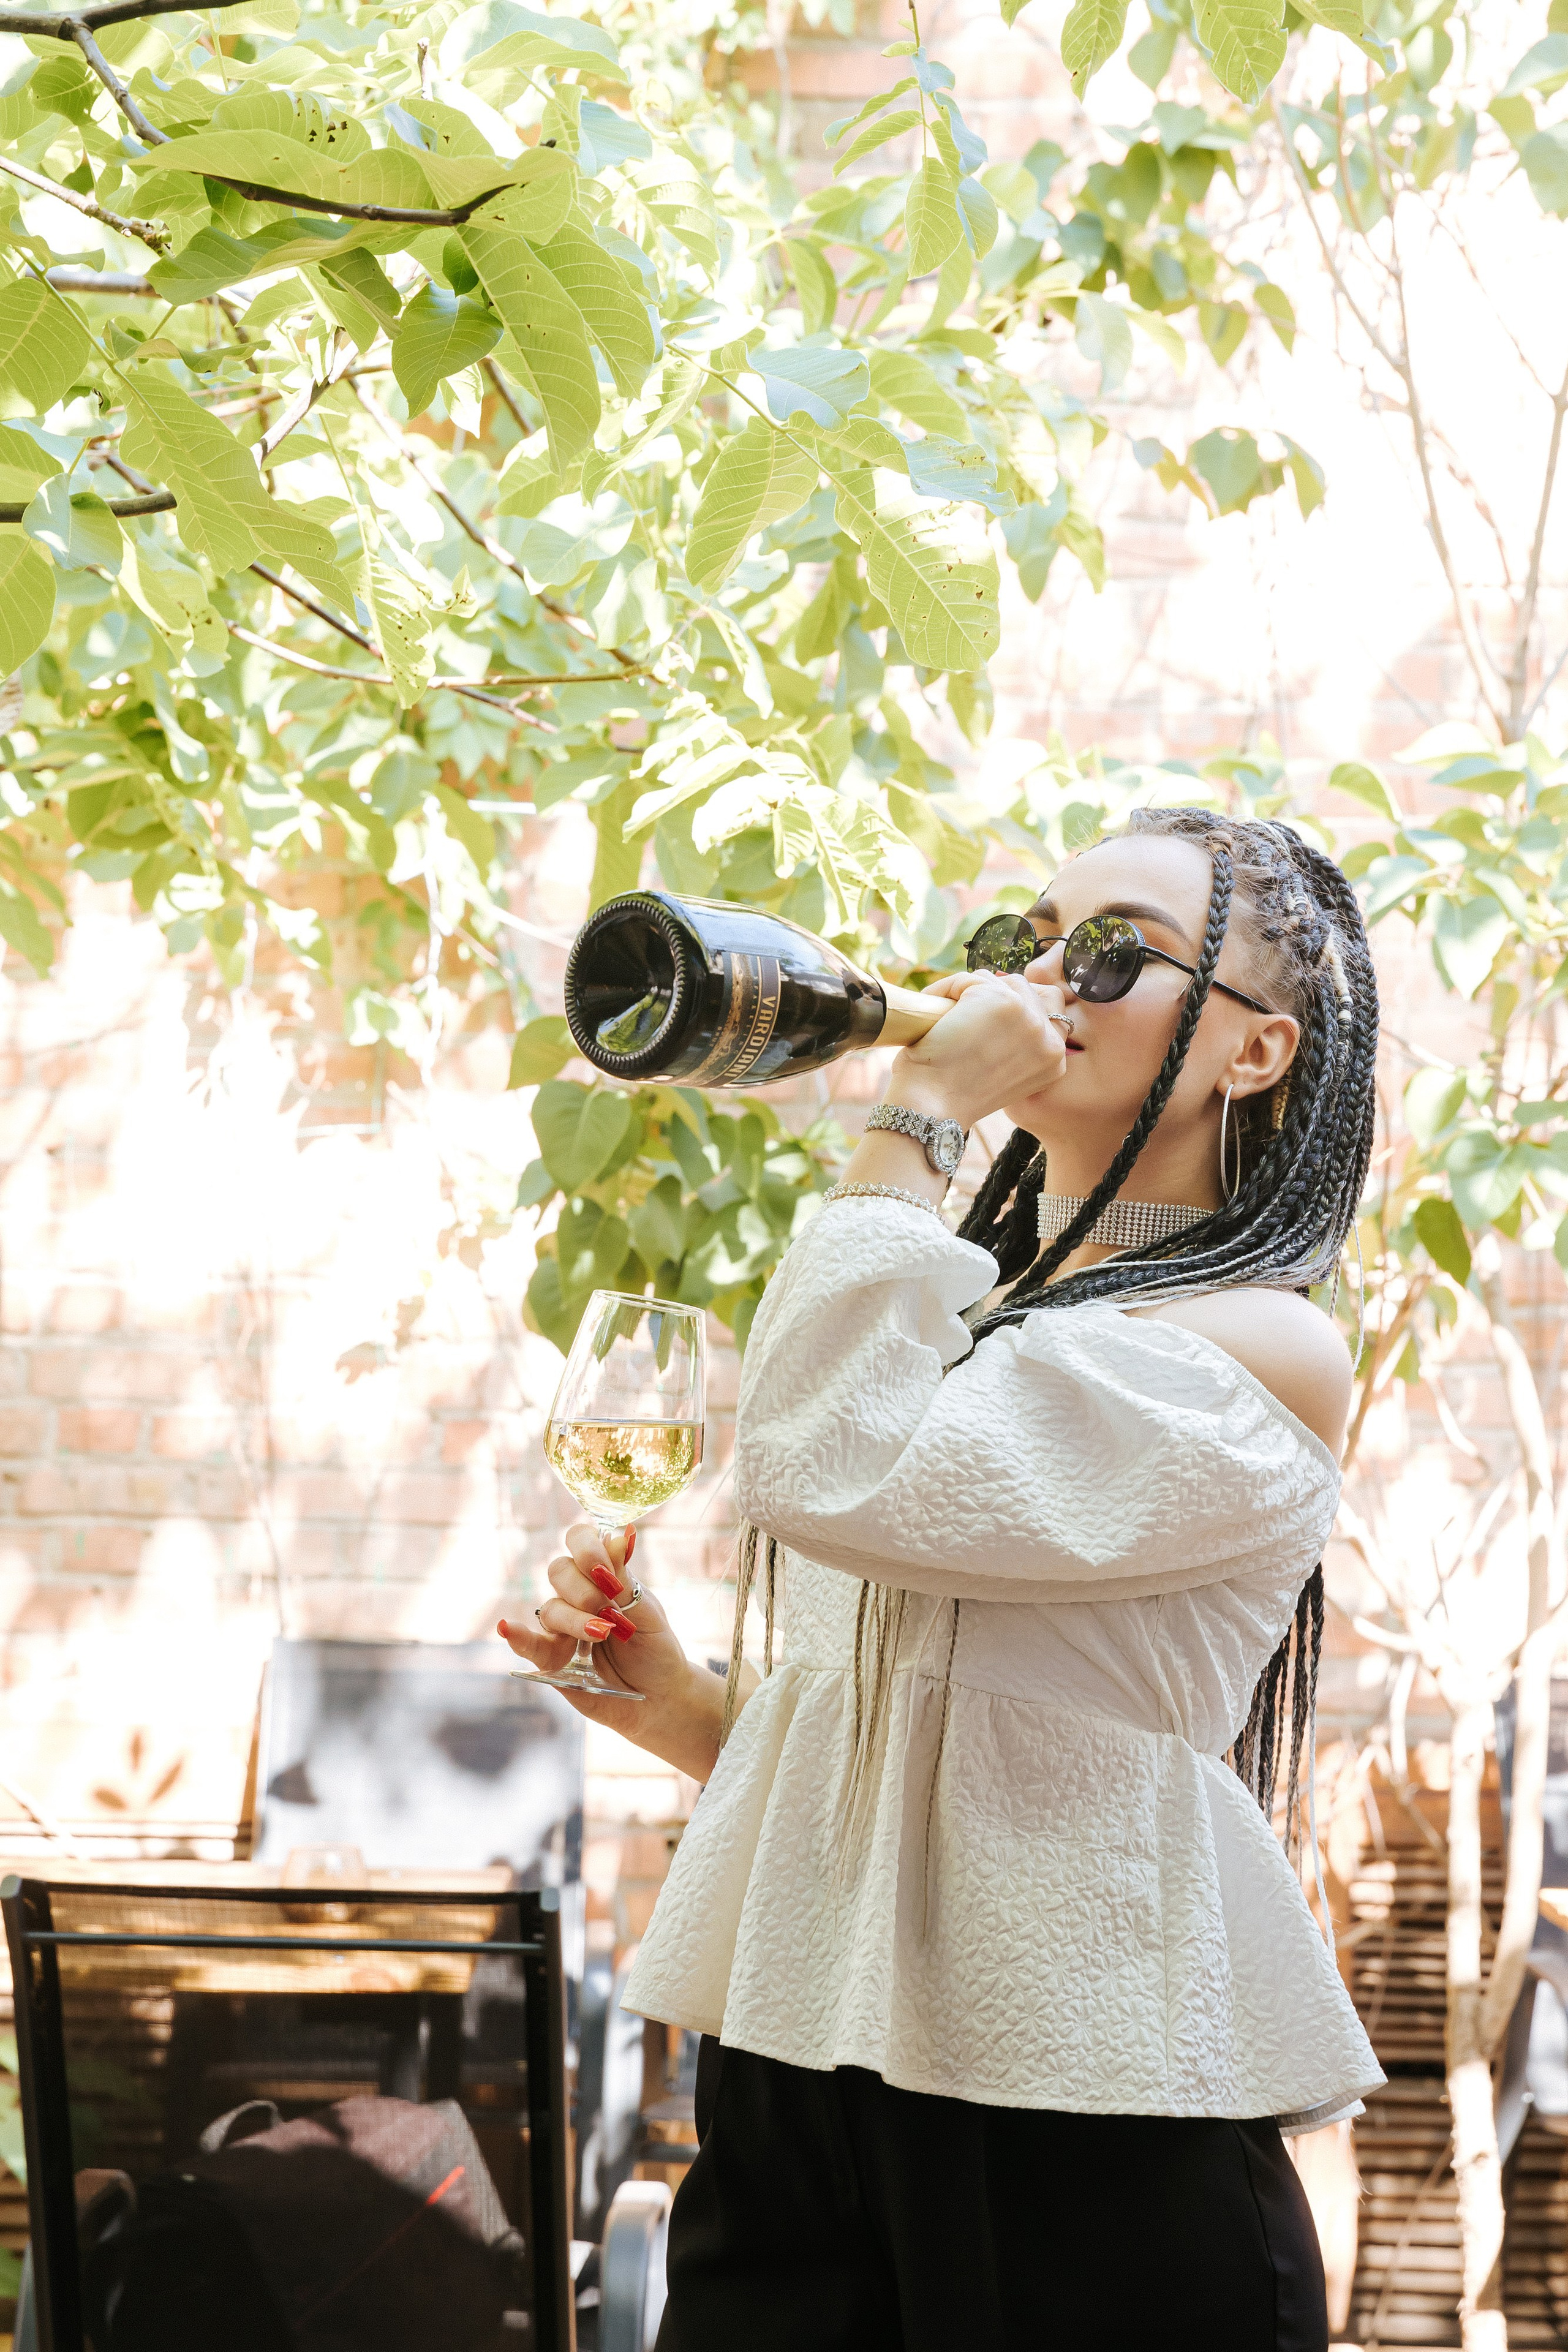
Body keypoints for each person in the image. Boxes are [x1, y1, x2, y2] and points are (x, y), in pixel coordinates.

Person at [500, 809, 1384, 2351]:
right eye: (1023, 939)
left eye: (1112, 950)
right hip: (800, 2081)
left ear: (1255, 1055)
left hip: (1085, 2122)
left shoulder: (1262, 1345)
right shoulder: (967, 1313)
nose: (1043, 974)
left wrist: (917, 1110)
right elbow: (947, 1745)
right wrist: (691, 1710)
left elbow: (825, 1461)